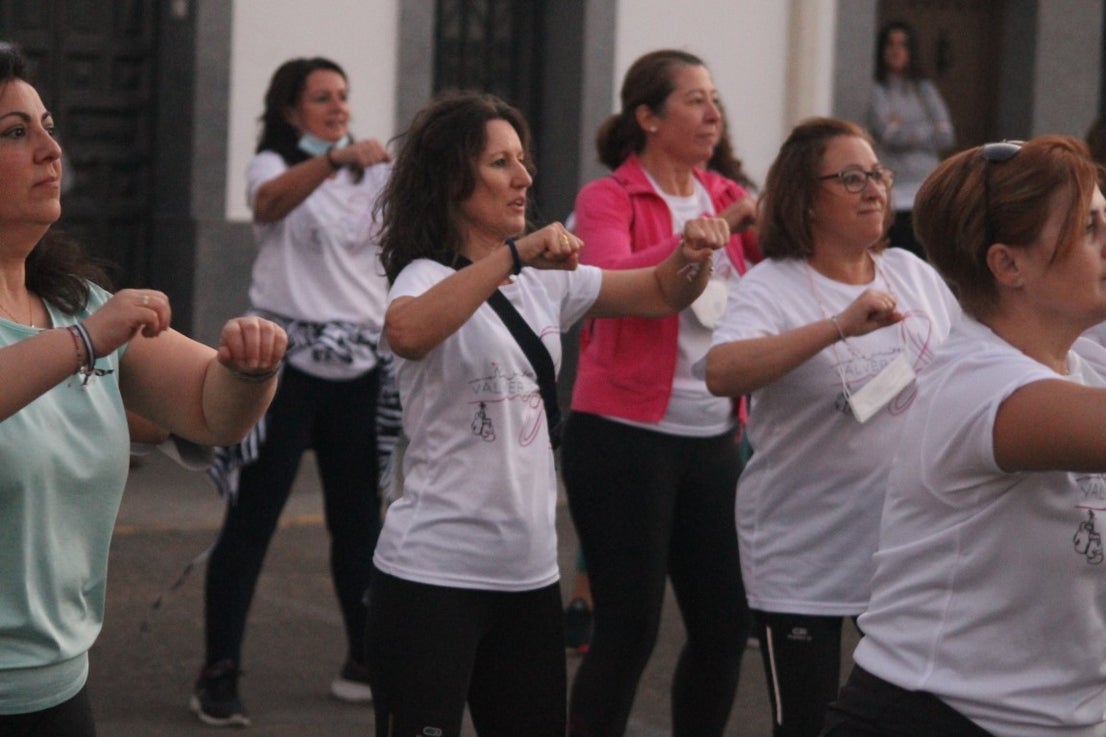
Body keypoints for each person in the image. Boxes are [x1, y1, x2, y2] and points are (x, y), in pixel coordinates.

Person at [365, 90, 727, 737]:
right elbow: (408, 332)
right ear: (454, 179)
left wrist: (692, 255)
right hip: (432, 574)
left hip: (528, 573)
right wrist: (514, 255)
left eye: (523, 160)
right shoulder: (422, 276)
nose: (524, 178)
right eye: (501, 163)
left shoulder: (546, 279)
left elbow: (659, 290)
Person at [0, 44, 287, 737]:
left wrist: (250, 370)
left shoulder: (75, 302)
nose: (50, 147)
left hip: (58, 688)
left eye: (48, 125)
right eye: (15, 131)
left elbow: (208, 409)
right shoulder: (90, 326)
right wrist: (89, 341)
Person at [820, 136, 1106, 736]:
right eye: (1089, 227)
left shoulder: (1083, 366)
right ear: (1008, 265)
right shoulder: (978, 382)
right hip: (930, 716)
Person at [703, 117, 959, 737]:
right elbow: (721, 371)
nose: (874, 189)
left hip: (903, 554)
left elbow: (968, 368)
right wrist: (838, 326)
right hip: (804, 555)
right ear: (805, 198)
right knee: (809, 727)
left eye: (877, 174)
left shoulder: (914, 274)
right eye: (851, 178)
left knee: (908, 719)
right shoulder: (773, 286)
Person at [192, 56, 394, 726]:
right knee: (252, 522)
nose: (338, 106)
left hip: (360, 367)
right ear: (290, 111)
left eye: (343, 95)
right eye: (321, 98)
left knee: (360, 523)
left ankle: (364, 657)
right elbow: (267, 204)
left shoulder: (374, 171)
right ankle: (218, 670)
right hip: (286, 367)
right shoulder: (273, 166)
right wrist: (333, 161)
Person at [562, 48, 758, 737]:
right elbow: (606, 279)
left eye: (715, 98)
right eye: (694, 100)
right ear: (647, 116)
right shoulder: (609, 197)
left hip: (712, 437)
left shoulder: (731, 197)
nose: (713, 113)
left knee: (725, 622)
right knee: (629, 626)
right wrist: (692, 240)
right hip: (620, 434)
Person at [867, 20, 955, 259]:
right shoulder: (878, 91)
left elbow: (946, 135)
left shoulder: (924, 90)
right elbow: (888, 134)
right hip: (895, 193)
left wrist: (904, 127)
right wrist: (927, 129)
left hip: (925, 190)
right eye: (890, 44)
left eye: (902, 45)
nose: (896, 50)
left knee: (923, 259)